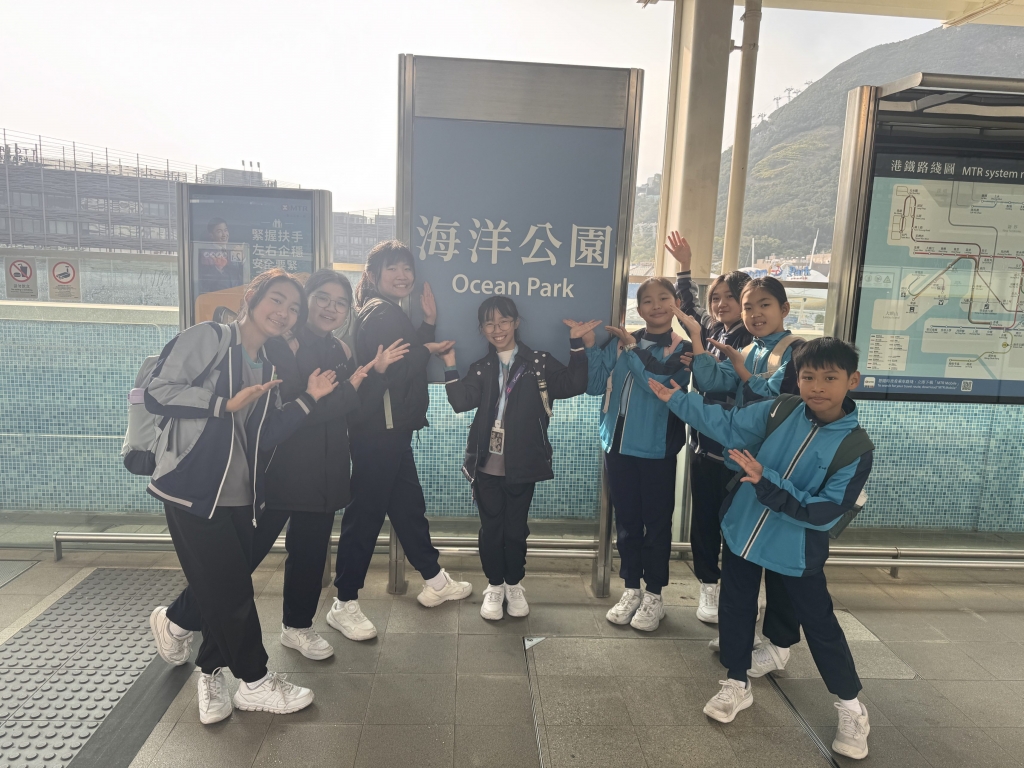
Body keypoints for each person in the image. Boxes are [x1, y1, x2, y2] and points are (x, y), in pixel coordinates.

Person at [151, 269, 408, 664]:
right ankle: (177, 619)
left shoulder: (341, 351)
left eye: (340, 303)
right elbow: (294, 413)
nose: (331, 308)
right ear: (307, 302)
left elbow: (349, 412)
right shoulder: (278, 347)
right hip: (277, 470)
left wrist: (372, 377)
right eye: (322, 298)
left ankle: (298, 627)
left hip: (327, 470)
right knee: (239, 564)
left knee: (310, 554)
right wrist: (343, 393)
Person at [649, 337, 873, 760]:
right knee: (736, 608)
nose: (817, 387)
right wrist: (679, 401)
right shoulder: (781, 409)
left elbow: (824, 512)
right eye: (808, 377)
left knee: (820, 625)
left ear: (852, 381)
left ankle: (851, 707)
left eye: (830, 378)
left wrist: (767, 481)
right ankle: (737, 681)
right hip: (744, 531)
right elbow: (728, 424)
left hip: (796, 550)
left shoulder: (855, 448)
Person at [144, 269, 339, 724]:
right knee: (230, 592)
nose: (284, 312)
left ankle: (205, 665)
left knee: (225, 586)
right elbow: (157, 391)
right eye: (277, 300)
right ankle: (254, 681)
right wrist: (222, 405)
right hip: (193, 488)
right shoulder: (210, 337)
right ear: (252, 296)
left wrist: (309, 398)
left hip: (240, 495)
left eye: (294, 308)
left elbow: (265, 434)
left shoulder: (267, 364)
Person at [328, 240, 472, 641]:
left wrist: (426, 326)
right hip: (380, 429)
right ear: (373, 275)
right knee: (366, 515)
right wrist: (427, 344)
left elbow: (402, 357)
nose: (402, 275)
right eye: (392, 268)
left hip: (387, 428)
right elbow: (392, 369)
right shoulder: (383, 313)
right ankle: (344, 602)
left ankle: (435, 580)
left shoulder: (381, 310)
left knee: (408, 506)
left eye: (407, 268)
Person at [675, 273, 806, 678]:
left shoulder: (797, 352)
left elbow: (782, 403)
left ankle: (779, 646)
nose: (754, 313)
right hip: (744, 469)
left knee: (778, 561)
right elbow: (713, 382)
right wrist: (700, 344)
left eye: (764, 305)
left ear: (784, 309)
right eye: (749, 307)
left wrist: (741, 371)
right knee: (741, 555)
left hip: (780, 472)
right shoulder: (748, 349)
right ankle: (740, 634)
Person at [441, 296, 598, 620]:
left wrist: (576, 345)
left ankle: (513, 584)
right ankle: (494, 586)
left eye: (503, 321)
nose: (497, 329)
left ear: (516, 323)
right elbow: (461, 402)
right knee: (491, 530)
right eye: (489, 323)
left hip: (523, 464)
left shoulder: (538, 362)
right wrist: (450, 364)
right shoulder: (482, 367)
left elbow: (573, 384)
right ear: (482, 329)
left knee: (515, 531)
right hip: (486, 466)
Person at [586, 277, 691, 632]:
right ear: (638, 307)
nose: (656, 306)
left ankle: (655, 595)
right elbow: (594, 386)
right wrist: (591, 348)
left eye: (664, 298)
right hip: (616, 445)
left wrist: (632, 349)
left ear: (676, 304)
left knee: (657, 525)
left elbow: (657, 385)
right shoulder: (619, 342)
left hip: (656, 449)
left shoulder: (683, 349)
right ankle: (631, 588)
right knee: (628, 523)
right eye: (648, 300)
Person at [666, 230, 752, 624]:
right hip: (704, 448)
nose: (720, 304)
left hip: (740, 453)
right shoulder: (711, 331)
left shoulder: (753, 342)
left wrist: (708, 364)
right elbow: (689, 308)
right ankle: (708, 586)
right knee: (703, 522)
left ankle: (735, 589)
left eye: (729, 298)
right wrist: (684, 267)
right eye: (716, 297)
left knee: (735, 523)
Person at [197, 218, 243, 293]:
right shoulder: (205, 254)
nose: (224, 235)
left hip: (236, 296)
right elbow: (204, 284)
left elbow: (242, 276)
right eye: (219, 231)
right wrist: (218, 269)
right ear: (211, 235)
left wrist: (243, 260)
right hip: (216, 297)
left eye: (225, 230)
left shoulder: (235, 251)